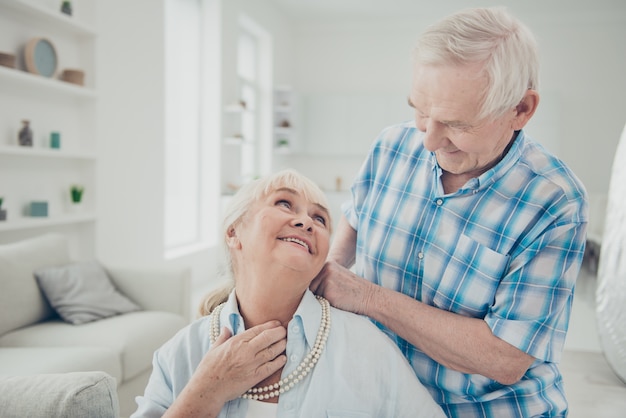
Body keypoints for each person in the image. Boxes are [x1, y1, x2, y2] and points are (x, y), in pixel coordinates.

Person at [310, 7, 588, 418]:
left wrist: (366, 297)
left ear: (521, 110)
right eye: (421, 111)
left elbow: (505, 358)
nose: (428, 140)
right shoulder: (391, 145)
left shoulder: (555, 201)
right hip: (384, 398)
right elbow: (354, 221)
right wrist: (320, 278)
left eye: (457, 123)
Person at [131, 169, 444, 417]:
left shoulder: (370, 350)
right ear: (234, 231)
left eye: (320, 219)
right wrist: (206, 392)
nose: (306, 222)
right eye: (284, 203)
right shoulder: (180, 354)